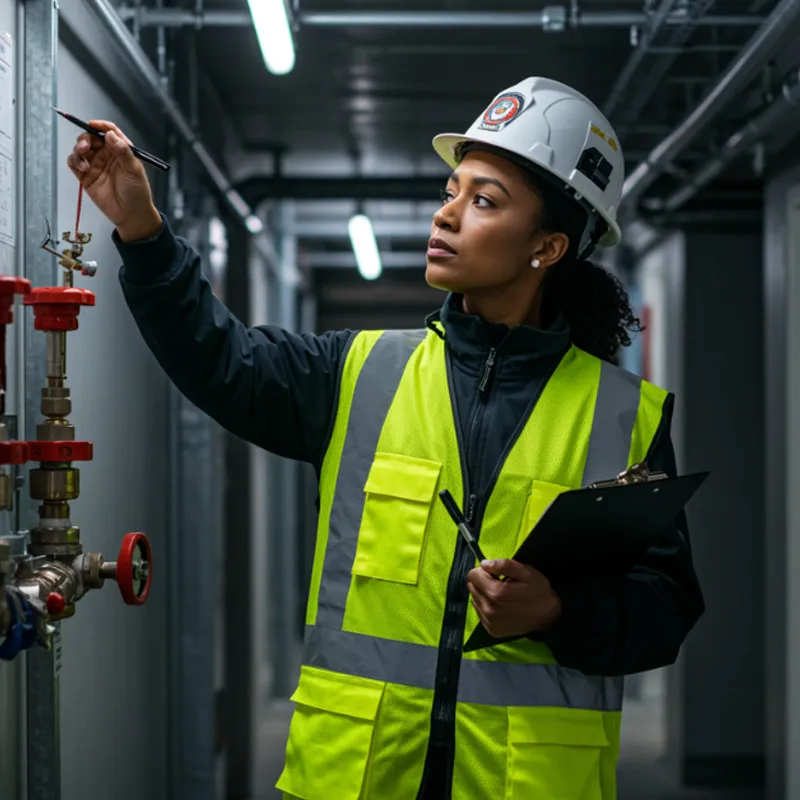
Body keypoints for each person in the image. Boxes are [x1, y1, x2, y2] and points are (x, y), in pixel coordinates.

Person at [68, 76, 704, 800]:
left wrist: (560, 611)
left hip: (524, 782)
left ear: (548, 247)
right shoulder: (360, 371)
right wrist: (144, 234)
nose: (447, 215)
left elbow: (666, 609)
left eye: (484, 200)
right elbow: (221, 361)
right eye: (451, 190)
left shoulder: (624, 415)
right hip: (362, 777)